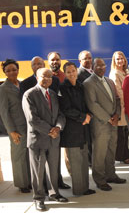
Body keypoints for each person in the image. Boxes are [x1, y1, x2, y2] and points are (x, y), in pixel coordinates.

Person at [22, 68, 68, 211]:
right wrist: (50, 130)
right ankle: (38, 199)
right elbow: (32, 119)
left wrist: (58, 128)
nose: (47, 79)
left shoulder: (53, 94)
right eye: (44, 76)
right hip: (38, 140)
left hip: (53, 139)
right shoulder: (29, 95)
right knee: (38, 171)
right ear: (37, 77)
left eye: (49, 77)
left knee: (54, 169)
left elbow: (60, 115)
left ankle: (54, 193)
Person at [84, 58, 126, 191]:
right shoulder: (88, 83)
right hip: (100, 124)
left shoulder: (109, 81)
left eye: (103, 65)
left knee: (111, 150)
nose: (101, 67)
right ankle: (100, 180)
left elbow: (117, 100)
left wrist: (117, 115)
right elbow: (93, 104)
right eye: (98, 65)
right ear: (93, 66)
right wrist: (108, 118)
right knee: (99, 153)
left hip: (113, 122)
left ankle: (111, 175)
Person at [58, 62, 96, 196]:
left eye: (73, 71)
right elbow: (66, 109)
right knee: (75, 161)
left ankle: (85, 187)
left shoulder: (80, 86)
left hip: (84, 127)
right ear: (65, 74)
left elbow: (86, 104)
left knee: (84, 160)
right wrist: (83, 117)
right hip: (72, 129)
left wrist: (89, 115)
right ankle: (79, 189)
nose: (71, 74)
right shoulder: (62, 88)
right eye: (68, 72)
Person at [0, 59, 31, 193]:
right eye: (8, 70)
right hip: (17, 128)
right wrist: (11, 131)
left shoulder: (22, 85)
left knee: (29, 155)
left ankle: (29, 181)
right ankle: (22, 184)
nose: (12, 72)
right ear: (4, 73)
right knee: (18, 157)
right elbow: (4, 112)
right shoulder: (3, 89)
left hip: (29, 126)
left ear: (18, 70)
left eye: (14, 69)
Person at [109, 51, 129, 165]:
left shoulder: (126, 72)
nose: (120, 60)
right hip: (122, 106)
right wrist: (127, 104)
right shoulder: (115, 73)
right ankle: (123, 156)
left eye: (121, 58)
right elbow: (119, 92)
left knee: (126, 133)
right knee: (121, 134)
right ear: (114, 61)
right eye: (117, 59)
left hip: (128, 106)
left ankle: (125, 155)